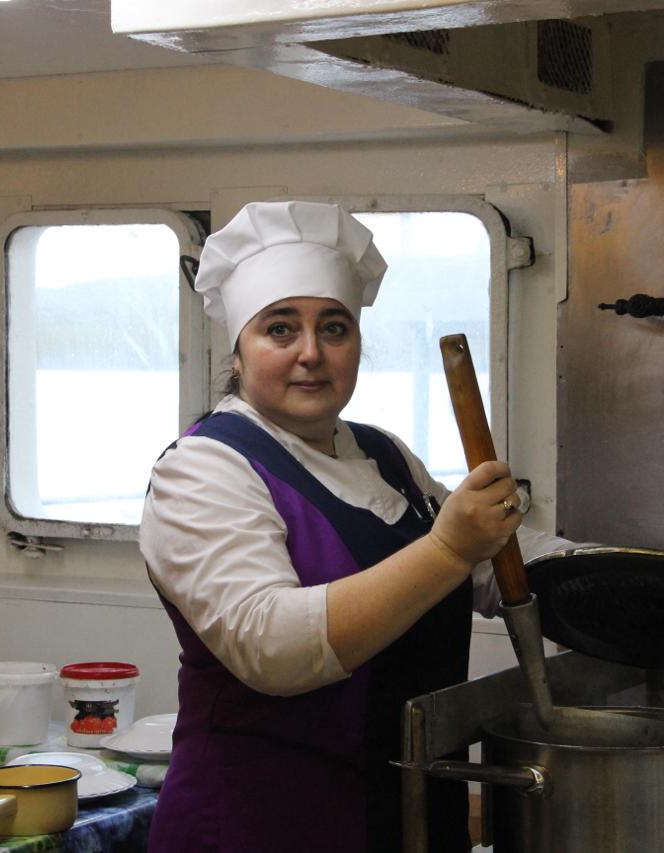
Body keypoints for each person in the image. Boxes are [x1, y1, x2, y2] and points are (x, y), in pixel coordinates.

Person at [140, 201, 574, 852]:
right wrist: (447, 547)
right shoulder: (203, 469)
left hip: (410, 816)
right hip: (264, 827)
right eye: (280, 329)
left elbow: (495, 561)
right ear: (238, 354)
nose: (311, 353)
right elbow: (272, 646)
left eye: (334, 328)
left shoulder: (384, 454)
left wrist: (630, 579)